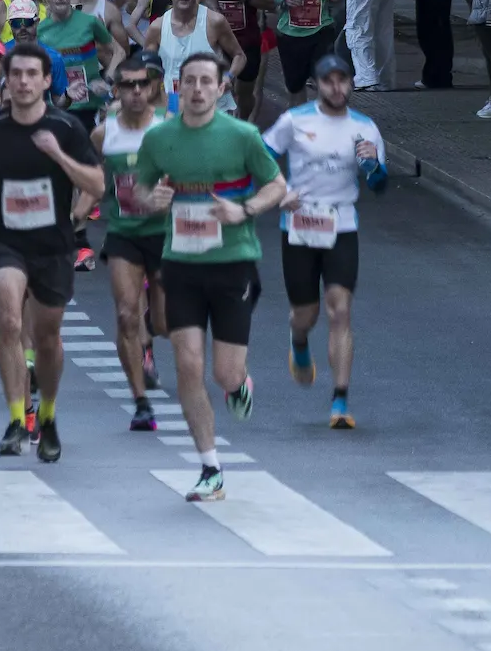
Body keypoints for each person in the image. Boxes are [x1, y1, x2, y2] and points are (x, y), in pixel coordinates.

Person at [130, 51, 288, 503]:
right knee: (187, 364)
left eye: (207, 82)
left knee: (224, 372)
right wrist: (152, 198)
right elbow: (140, 189)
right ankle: (210, 467)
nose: (198, 90)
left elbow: (275, 184)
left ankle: (239, 383)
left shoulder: (242, 136)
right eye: (190, 81)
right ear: (177, 88)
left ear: (221, 89)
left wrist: (247, 209)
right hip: (179, 264)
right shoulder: (159, 139)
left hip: (232, 263)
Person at [0, 46, 103, 462]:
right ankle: (14, 419)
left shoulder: (66, 127)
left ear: (46, 81)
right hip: (4, 242)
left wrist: (57, 156)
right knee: (7, 318)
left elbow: (96, 182)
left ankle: (48, 415)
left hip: (52, 245)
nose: (22, 81)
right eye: (16, 74)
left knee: (47, 338)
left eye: (31, 74)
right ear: (6, 80)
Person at [263, 55, 388, 427]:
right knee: (306, 314)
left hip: (341, 225)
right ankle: (298, 341)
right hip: (299, 225)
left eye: (343, 80)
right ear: (317, 85)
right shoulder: (295, 121)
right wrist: (280, 190)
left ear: (351, 83)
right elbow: (262, 156)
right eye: (329, 81)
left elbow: (380, 186)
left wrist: (373, 166)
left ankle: (340, 401)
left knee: (340, 310)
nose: (337, 88)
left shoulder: (365, 128)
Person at [94, 55, 171, 432]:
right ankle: (140, 401)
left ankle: (151, 330)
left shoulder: (168, 128)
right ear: (118, 90)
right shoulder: (103, 132)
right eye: (128, 85)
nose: (137, 91)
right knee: (125, 314)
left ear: (153, 87)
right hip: (124, 233)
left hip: (163, 234)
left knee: (163, 320)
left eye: (143, 84)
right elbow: (93, 177)